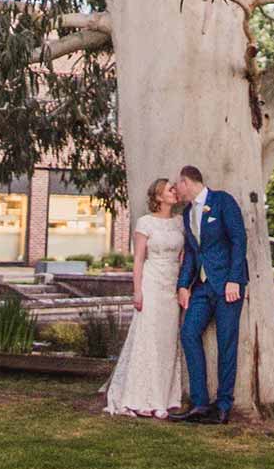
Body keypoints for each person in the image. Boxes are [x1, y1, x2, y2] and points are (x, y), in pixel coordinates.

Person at [101, 177, 186, 418]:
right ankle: (140, 396)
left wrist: (182, 285)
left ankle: (163, 398)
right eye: (170, 189)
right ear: (158, 196)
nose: (174, 191)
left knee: (168, 340)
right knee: (147, 338)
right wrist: (137, 290)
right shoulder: (145, 222)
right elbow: (138, 259)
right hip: (151, 281)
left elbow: (183, 256)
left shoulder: (180, 222)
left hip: (172, 283)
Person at [172, 162, 248, 423]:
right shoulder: (187, 213)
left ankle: (223, 405)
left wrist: (235, 279)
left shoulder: (222, 201)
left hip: (228, 285)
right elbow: (193, 252)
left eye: (178, 185)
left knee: (227, 342)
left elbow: (239, 240)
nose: (176, 191)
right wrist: (183, 285)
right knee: (188, 332)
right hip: (203, 288)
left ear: (187, 181)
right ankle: (200, 403)